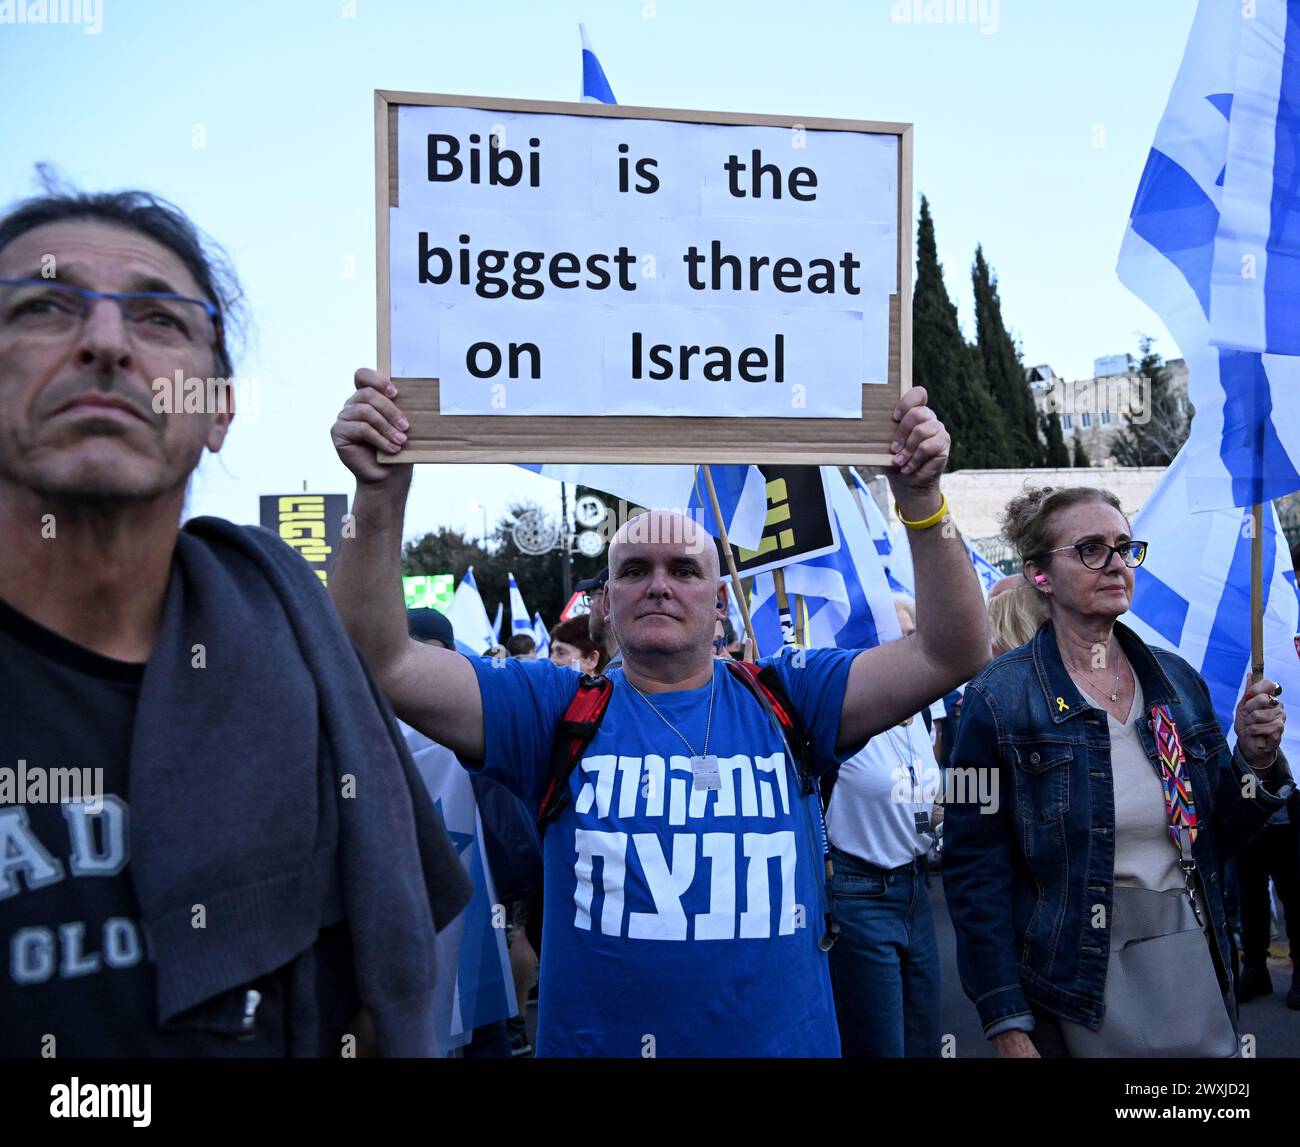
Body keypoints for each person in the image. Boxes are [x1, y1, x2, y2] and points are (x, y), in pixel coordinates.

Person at [328, 368, 991, 1057]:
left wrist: (922, 500)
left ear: (720, 602)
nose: (660, 585)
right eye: (635, 568)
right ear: (606, 602)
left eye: (684, 568)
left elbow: (953, 650)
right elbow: (379, 661)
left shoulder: (792, 696)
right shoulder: (551, 708)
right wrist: (378, 495)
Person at [0, 186, 469, 1056]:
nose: (104, 344)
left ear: (218, 410)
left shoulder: (296, 649)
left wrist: (379, 497)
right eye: (42, 307)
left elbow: (371, 991)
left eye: (159, 322)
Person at [943, 485, 1295, 1058]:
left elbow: (1220, 834)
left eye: (1124, 547)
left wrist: (1255, 760)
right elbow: (971, 870)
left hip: (1189, 965)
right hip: (1071, 986)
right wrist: (1005, 1020)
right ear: (1039, 575)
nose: (1115, 563)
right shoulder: (995, 699)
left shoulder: (1176, 684)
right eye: (1090, 549)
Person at [824, 595, 947, 1058]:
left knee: (924, 1043)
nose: (904, 647)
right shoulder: (842, 715)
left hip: (916, 889)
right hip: (858, 895)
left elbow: (919, 788)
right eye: (889, 638)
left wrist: (938, 808)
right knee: (880, 1049)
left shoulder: (924, 712)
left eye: (911, 636)